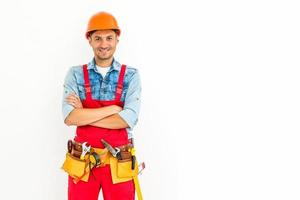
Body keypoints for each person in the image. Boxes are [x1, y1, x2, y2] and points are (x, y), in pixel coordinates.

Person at [62, 11, 142, 200]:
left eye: (109, 38)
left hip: (119, 163)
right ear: (89, 40)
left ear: (117, 39)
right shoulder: (75, 75)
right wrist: (114, 110)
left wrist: (85, 113)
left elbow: (128, 119)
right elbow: (70, 118)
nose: (104, 44)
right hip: (83, 162)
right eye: (98, 38)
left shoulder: (131, 75)